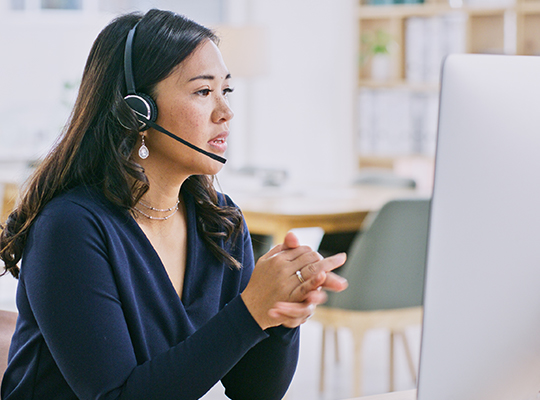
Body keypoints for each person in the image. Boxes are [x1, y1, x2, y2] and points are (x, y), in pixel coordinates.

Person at [0, 9, 347, 400]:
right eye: (203, 92)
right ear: (137, 111)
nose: (226, 112)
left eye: (225, 91)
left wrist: (280, 318)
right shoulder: (70, 227)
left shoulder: (219, 221)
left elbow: (253, 391)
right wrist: (248, 312)